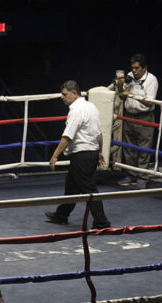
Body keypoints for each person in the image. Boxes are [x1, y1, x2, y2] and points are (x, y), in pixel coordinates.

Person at [45, 80, 111, 229]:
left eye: (64, 94)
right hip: (90, 152)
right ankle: (62, 214)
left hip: (83, 154)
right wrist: (99, 151)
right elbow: (99, 133)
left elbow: (68, 136)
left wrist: (55, 155)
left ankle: (102, 222)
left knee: (89, 188)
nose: (62, 97)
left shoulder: (76, 110)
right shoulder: (91, 106)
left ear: (74, 93)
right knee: (71, 186)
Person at [115, 54, 159, 189]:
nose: (134, 71)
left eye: (137, 68)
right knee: (129, 149)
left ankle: (142, 178)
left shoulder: (152, 80)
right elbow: (122, 98)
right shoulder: (129, 76)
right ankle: (131, 175)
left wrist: (133, 95)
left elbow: (149, 103)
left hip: (145, 117)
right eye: (132, 68)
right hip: (129, 116)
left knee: (143, 150)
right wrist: (121, 87)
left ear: (144, 68)